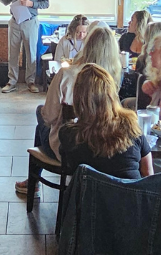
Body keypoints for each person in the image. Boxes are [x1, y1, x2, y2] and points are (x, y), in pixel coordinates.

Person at [15, 27, 122, 192]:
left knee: (41, 115)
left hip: (70, 150)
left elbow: (49, 117)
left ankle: (33, 182)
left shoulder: (67, 74)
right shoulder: (114, 77)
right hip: (103, 149)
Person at [57, 64, 154, 179]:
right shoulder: (131, 126)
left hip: (89, 196)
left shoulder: (68, 134)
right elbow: (148, 174)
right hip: (129, 195)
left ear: (78, 99)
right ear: (112, 95)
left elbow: (70, 167)